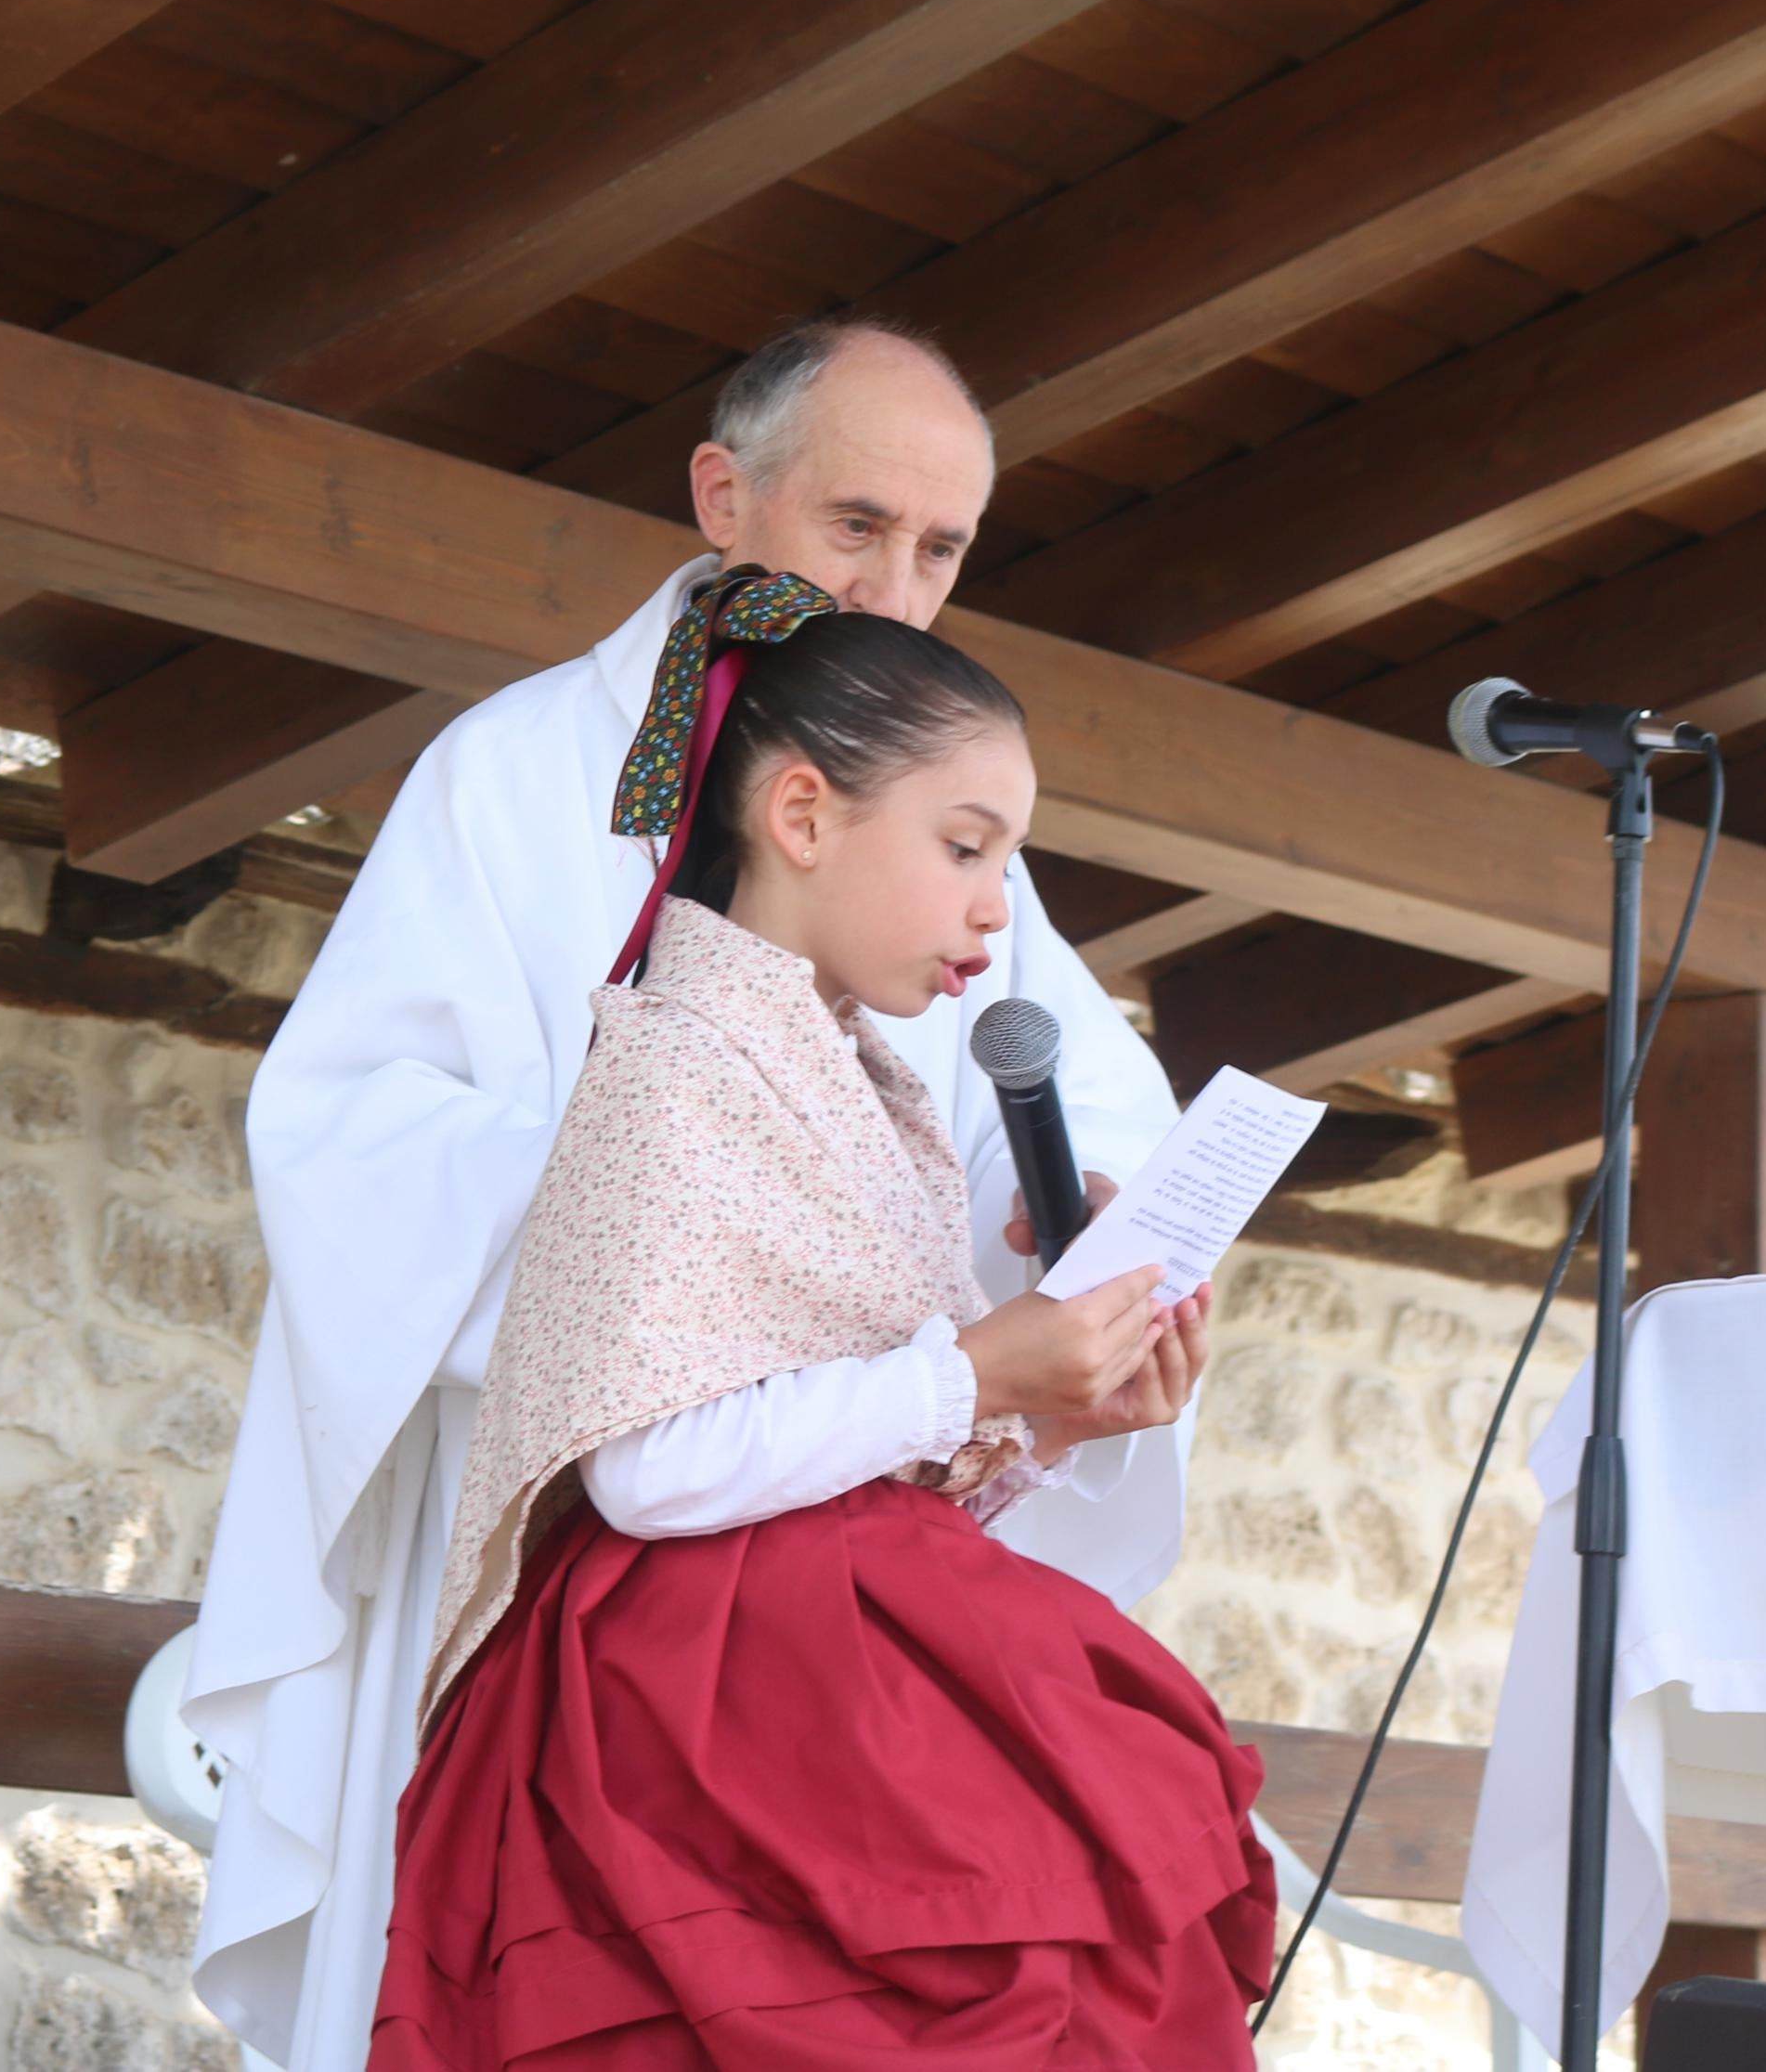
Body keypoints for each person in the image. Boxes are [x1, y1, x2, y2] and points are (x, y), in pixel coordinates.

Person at [186, 320, 1196, 2070]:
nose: (895, 586)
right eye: (858, 526)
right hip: (587, 1522)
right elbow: (350, 1134)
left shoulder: (940, 809)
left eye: (941, 551)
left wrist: (1079, 1255)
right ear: (725, 495)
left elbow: (1038, 1114)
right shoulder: (518, 775)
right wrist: (692, 1216)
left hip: (837, 1543)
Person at [374, 587, 1268, 2065]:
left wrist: (1053, 1410)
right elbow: (650, 1470)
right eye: (966, 848)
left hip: (806, 1686)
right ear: (800, 812)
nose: (998, 907)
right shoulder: (670, 1064)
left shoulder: (879, 1092)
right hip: (688, 1726)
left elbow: (861, 1463)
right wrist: (981, 1368)